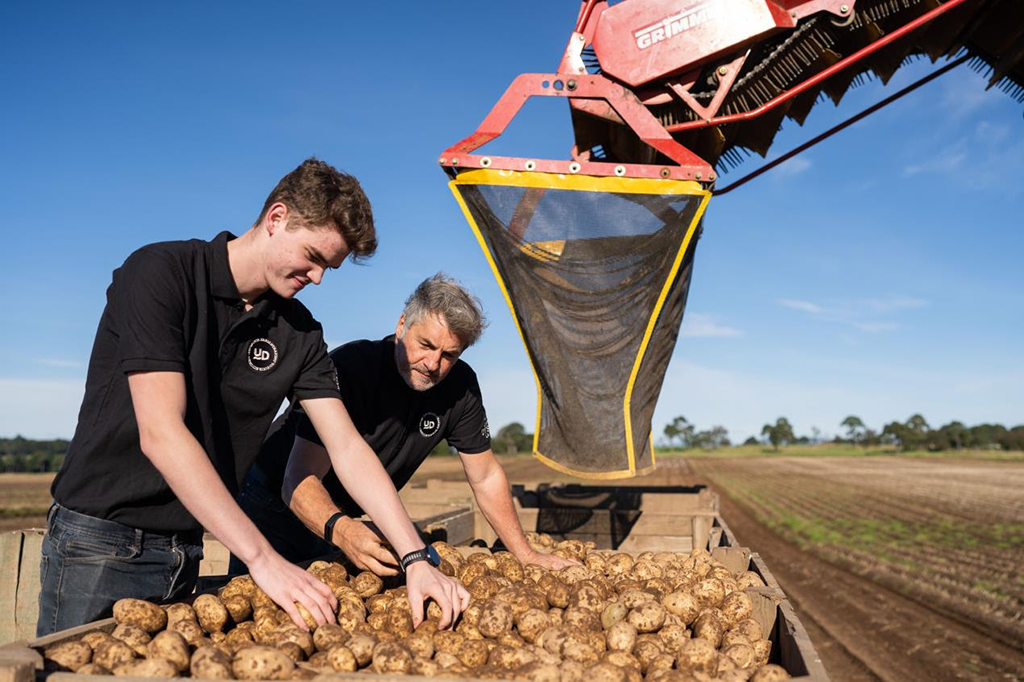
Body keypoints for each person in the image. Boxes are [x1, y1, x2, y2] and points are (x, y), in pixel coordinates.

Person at [39, 159, 468, 637]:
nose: (320, 277)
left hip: (191, 545)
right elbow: (161, 433)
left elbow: (346, 447)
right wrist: (262, 558)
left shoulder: (299, 332)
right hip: (101, 542)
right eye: (313, 256)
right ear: (276, 217)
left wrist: (415, 558)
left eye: (330, 266)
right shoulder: (162, 275)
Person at [229, 274, 577, 577]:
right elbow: (300, 478)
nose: (433, 364)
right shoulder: (350, 370)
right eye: (425, 345)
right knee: (261, 598)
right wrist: (344, 530)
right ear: (401, 325)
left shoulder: (461, 389)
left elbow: (485, 476)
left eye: (450, 355)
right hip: (276, 497)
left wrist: (526, 554)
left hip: (349, 511)